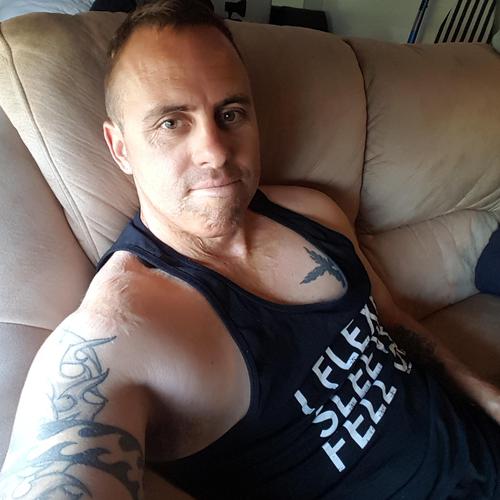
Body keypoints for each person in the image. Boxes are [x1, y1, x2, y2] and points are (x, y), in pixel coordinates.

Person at [1, 1, 499, 498]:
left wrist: (488, 397)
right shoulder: (120, 328)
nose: (216, 151)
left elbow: (392, 321)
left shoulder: (314, 211)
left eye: (230, 114)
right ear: (120, 148)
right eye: (171, 122)